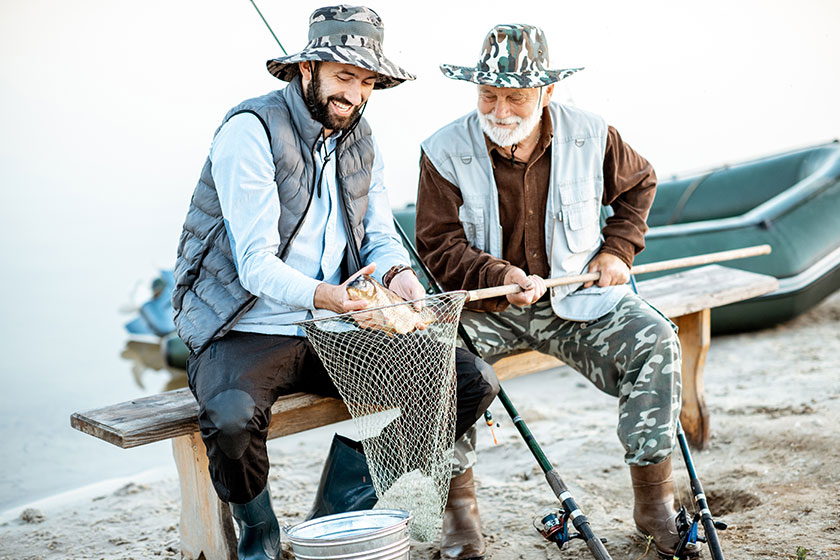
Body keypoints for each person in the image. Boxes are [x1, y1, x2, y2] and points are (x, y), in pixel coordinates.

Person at [171, 6, 498, 560]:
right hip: (246, 324)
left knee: (468, 381)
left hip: (333, 326)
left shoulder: (362, 140)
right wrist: (331, 296)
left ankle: (335, 512)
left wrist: (399, 277)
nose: (356, 94)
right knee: (230, 420)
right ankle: (260, 537)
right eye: (344, 76)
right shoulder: (250, 131)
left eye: (367, 82)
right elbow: (254, 265)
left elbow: (380, 237)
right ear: (307, 69)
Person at [415, 24, 701, 558]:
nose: (500, 110)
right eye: (488, 95)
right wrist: (499, 277)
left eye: (516, 97)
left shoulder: (593, 132)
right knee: (432, 359)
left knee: (657, 338)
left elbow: (640, 185)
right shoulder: (441, 149)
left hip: (580, 300)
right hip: (487, 310)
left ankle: (654, 504)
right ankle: (459, 515)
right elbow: (437, 244)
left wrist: (617, 250)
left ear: (547, 92)